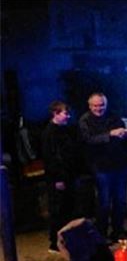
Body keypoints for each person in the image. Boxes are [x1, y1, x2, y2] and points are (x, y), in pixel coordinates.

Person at [79, 93, 127, 239]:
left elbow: (125, 138)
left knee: (120, 200)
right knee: (103, 201)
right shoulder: (85, 121)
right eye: (95, 106)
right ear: (90, 106)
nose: (99, 108)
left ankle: (118, 231)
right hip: (101, 166)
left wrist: (125, 135)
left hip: (119, 164)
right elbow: (88, 139)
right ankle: (101, 233)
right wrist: (110, 135)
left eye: (101, 105)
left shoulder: (114, 117)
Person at [42, 101, 85, 253]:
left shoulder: (64, 130)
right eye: (65, 113)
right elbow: (51, 158)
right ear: (55, 113)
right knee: (59, 211)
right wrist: (57, 179)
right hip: (59, 178)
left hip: (68, 175)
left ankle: (66, 239)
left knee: (68, 208)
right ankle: (55, 242)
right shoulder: (50, 133)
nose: (68, 116)